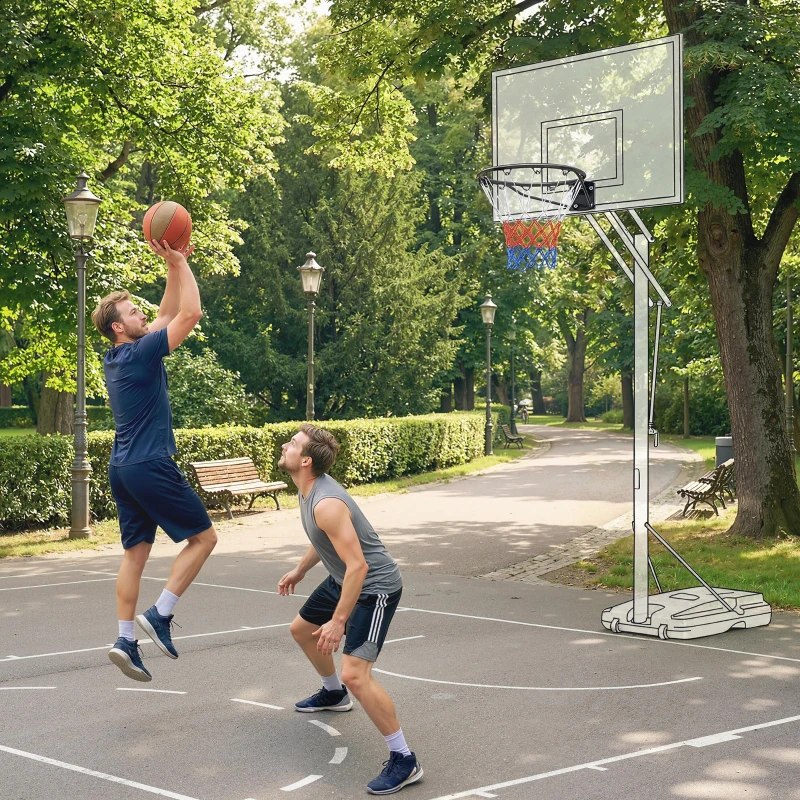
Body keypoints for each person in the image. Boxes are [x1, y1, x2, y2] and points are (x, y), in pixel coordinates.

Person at [91, 238, 217, 682]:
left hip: (122, 469)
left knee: (135, 554)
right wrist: (181, 262)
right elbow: (189, 314)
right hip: (149, 464)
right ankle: (160, 614)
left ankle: (125, 638)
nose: (142, 314)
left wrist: (172, 266)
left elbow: (165, 313)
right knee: (203, 539)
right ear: (119, 327)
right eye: (133, 312)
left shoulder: (118, 356)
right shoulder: (141, 352)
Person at [278, 425, 423, 795]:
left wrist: (338, 621)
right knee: (301, 629)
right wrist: (300, 570)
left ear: (305, 461)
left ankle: (404, 758)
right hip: (345, 579)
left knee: (356, 675)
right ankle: (333, 694)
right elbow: (325, 539)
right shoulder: (309, 490)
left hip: (374, 588)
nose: (285, 445)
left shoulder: (326, 502)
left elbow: (359, 565)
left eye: (292, 443)